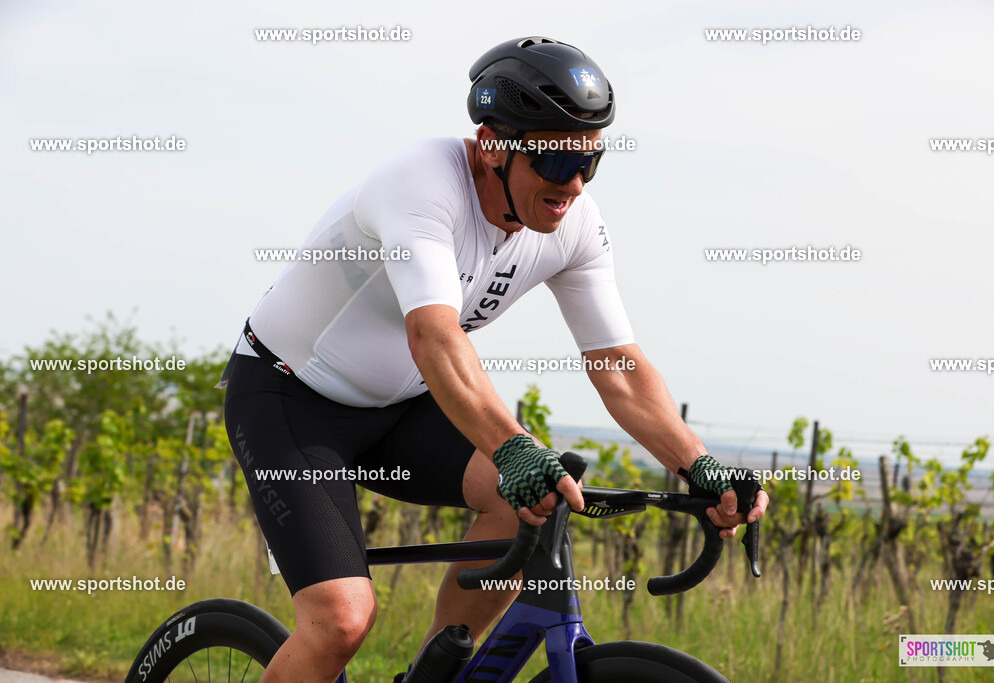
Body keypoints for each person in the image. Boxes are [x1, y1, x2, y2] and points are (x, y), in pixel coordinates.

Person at [221, 36, 769, 681]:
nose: (572, 184)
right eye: (553, 162)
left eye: (589, 162)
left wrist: (696, 463)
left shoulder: (575, 226)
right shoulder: (421, 185)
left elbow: (616, 364)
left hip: (404, 405)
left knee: (529, 502)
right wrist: (513, 447)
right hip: (292, 401)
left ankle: (433, 672)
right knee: (341, 619)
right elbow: (434, 336)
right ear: (492, 145)